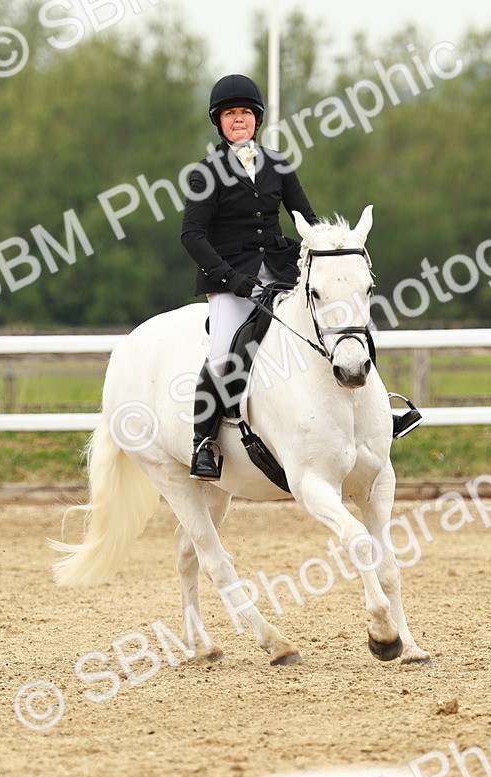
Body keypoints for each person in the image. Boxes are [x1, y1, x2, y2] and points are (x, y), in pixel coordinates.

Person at [180, 74, 317, 480]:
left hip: (281, 270)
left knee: (335, 322)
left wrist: (325, 249)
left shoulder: (279, 165)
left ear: (256, 119)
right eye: (230, 114)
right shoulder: (207, 172)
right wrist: (226, 277)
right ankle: (203, 442)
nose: (238, 120)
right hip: (230, 278)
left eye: (244, 113)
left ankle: (375, 418)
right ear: (219, 122)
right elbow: (191, 234)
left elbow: (306, 220)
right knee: (223, 354)